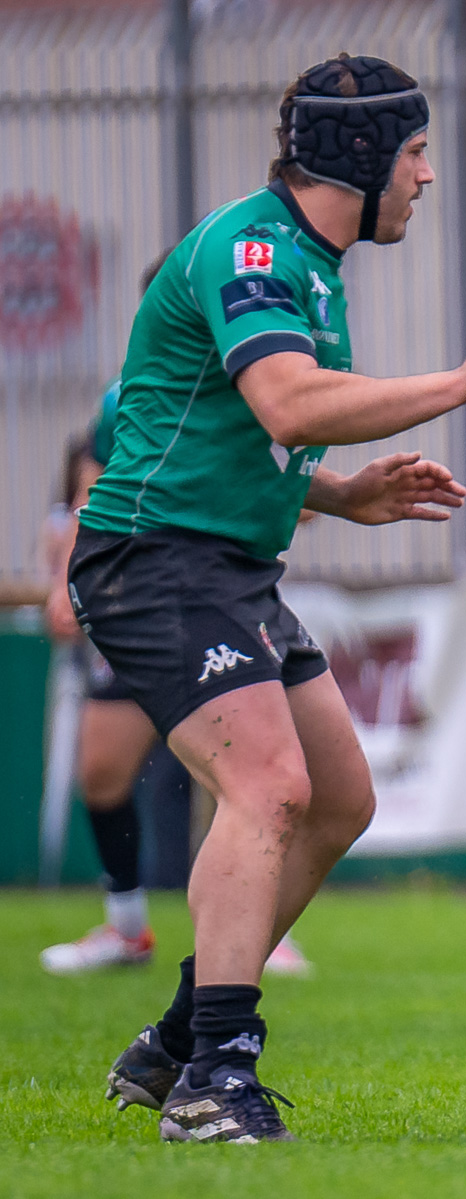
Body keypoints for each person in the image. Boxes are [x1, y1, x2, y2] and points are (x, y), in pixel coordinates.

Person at [83, 54, 466, 1143]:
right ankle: (213, 1079)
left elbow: (241, 432)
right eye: (418, 150)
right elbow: (287, 403)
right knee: (273, 786)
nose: (426, 177)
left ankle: (179, 1037)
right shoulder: (253, 246)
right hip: (154, 560)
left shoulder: (308, 260)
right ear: (362, 153)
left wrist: (343, 495)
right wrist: (464, 380)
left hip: (227, 564)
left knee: (340, 796)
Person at [39, 258, 310, 980]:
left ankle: (259, 929)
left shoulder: (263, 389)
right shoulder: (121, 399)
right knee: (100, 769)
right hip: (136, 597)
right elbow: (90, 494)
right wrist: (67, 579)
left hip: (217, 597)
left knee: (249, 782)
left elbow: (296, 493)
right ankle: (127, 928)